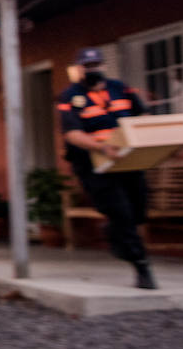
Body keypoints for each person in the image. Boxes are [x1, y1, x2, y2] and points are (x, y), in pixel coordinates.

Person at [57, 47, 156, 289]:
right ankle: (141, 265)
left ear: (103, 66)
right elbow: (72, 133)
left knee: (138, 209)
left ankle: (113, 231)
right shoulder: (70, 96)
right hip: (94, 165)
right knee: (121, 211)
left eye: (96, 65)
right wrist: (101, 148)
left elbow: (141, 118)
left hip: (128, 161)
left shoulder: (121, 89)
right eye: (87, 66)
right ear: (79, 68)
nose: (92, 69)